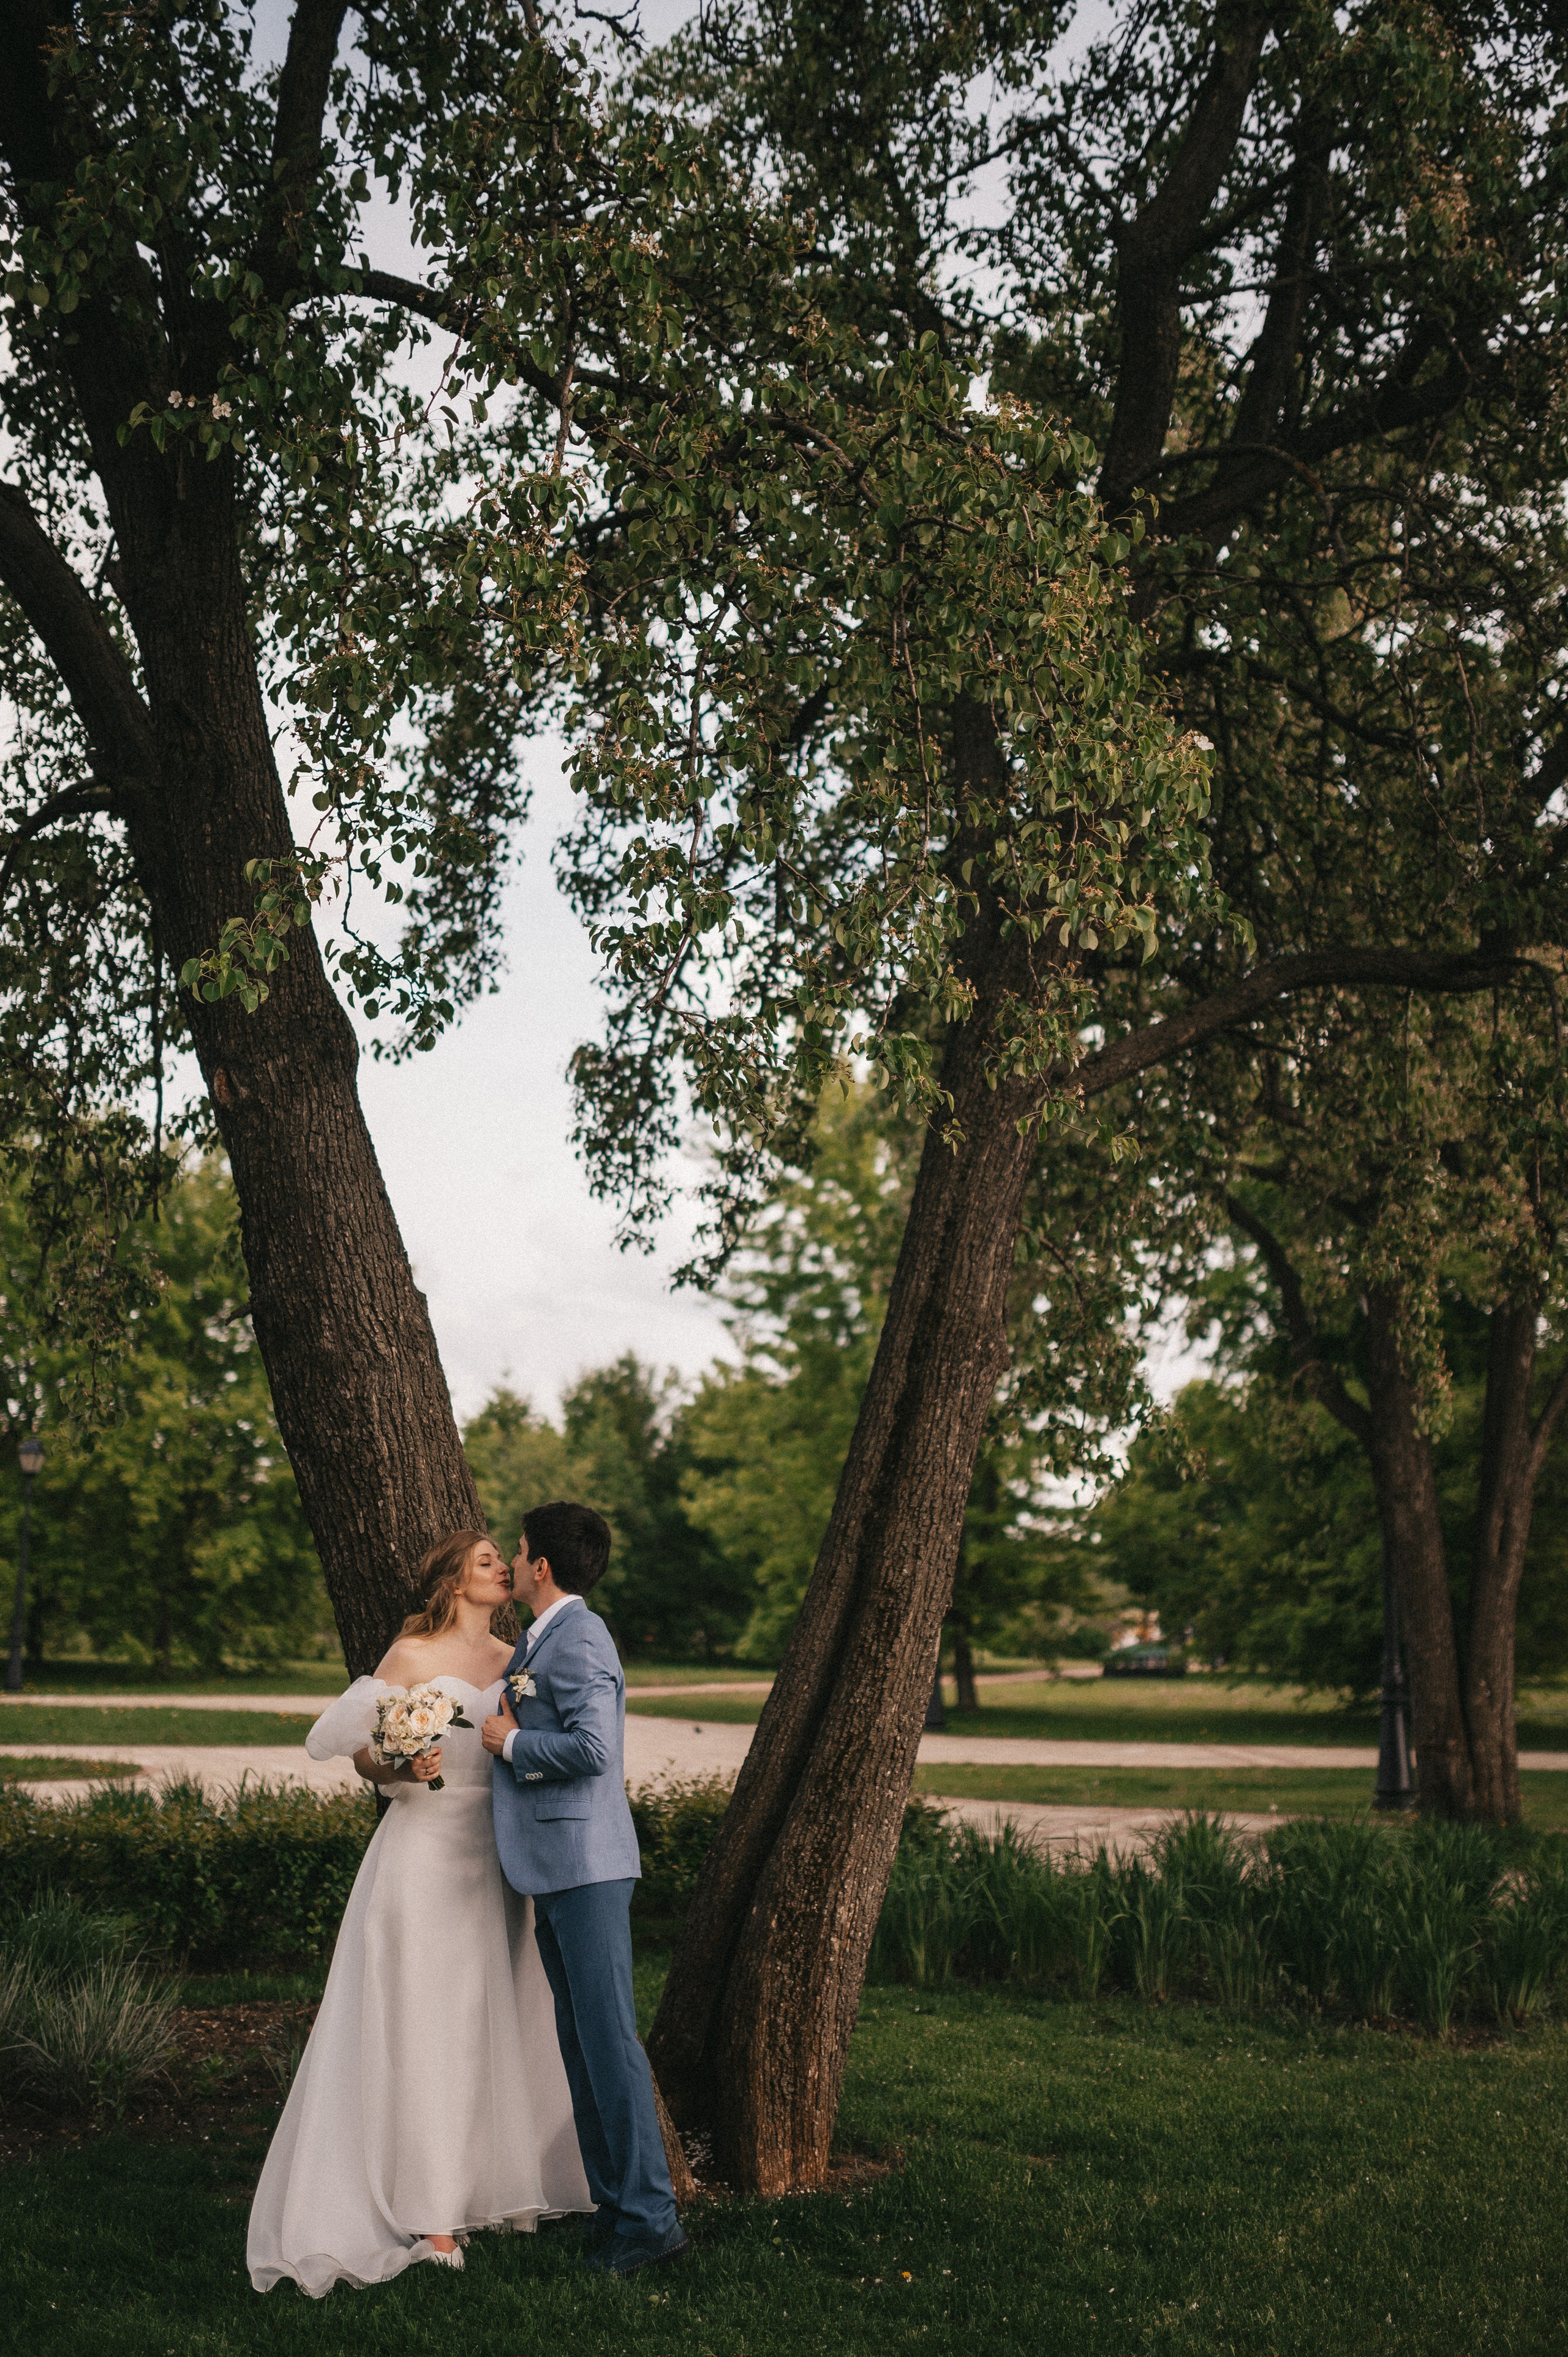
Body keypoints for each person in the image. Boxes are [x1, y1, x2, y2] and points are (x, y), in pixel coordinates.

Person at [246, 1531, 592, 2298]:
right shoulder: (410, 1653)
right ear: (452, 1578)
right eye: (485, 1560)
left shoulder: (518, 1660)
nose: (502, 1567)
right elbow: (366, 1756)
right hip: (423, 1855)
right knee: (426, 2025)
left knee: (492, 2019)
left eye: (505, 1558)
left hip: (499, 1857)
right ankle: (434, 2216)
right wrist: (406, 1761)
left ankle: (494, 2185)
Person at [482, 1499, 690, 2279]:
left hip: (589, 1866)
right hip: (556, 1864)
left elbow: (595, 1747)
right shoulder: (544, 1635)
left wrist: (513, 1742)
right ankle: (616, 2208)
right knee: (580, 2044)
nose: (513, 1556)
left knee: (610, 2045)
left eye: (520, 1546)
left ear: (541, 1566)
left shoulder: (581, 1635)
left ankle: (653, 2221)